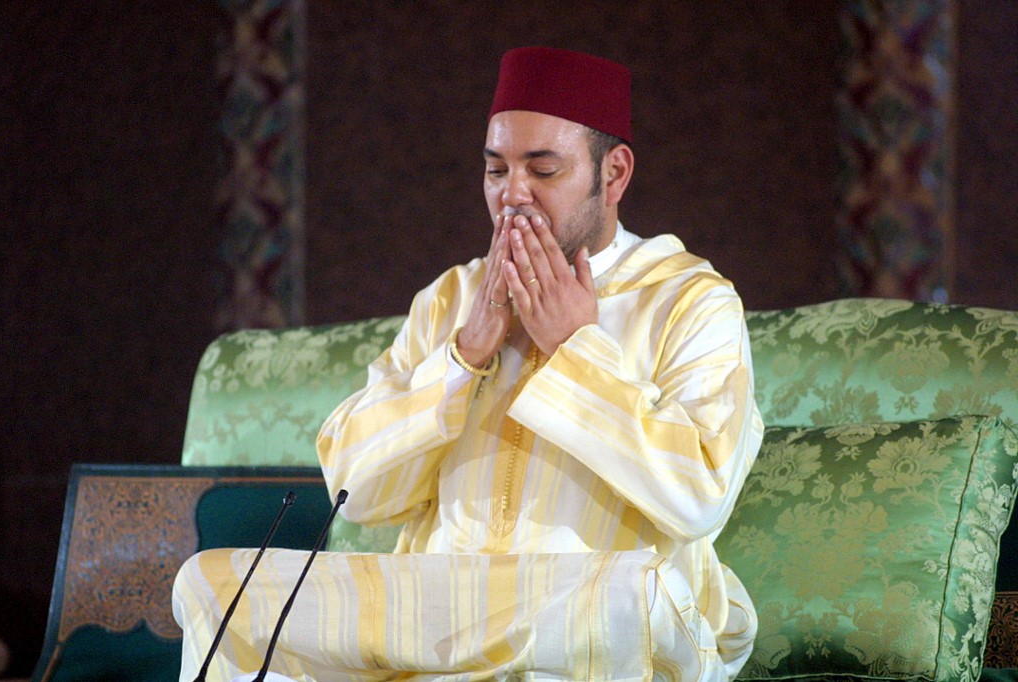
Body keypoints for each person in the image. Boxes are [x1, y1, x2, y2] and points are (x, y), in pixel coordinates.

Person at [174, 47, 764, 681]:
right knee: (214, 587)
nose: (512, 195)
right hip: (443, 608)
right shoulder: (454, 300)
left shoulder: (689, 299)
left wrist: (577, 351)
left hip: (582, 606)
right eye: (495, 170)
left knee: (630, 598)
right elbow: (357, 489)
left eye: (542, 170)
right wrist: (464, 356)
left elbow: (699, 493)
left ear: (613, 174)